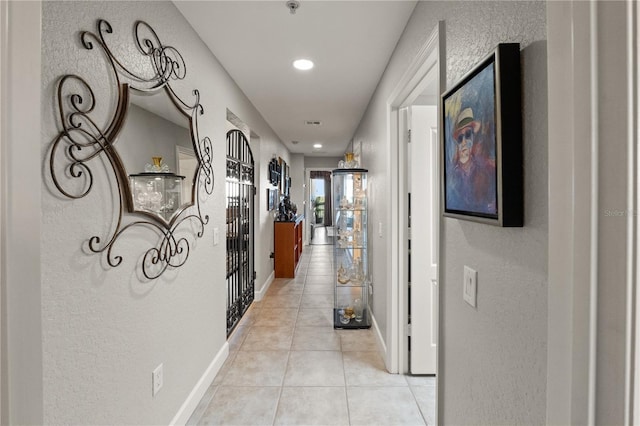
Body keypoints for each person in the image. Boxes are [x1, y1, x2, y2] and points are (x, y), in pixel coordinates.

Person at [446, 107, 496, 214]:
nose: (463, 142)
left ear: (473, 138)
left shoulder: (484, 168)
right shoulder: (452, 174)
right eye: (460, 138)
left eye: (468, 135)